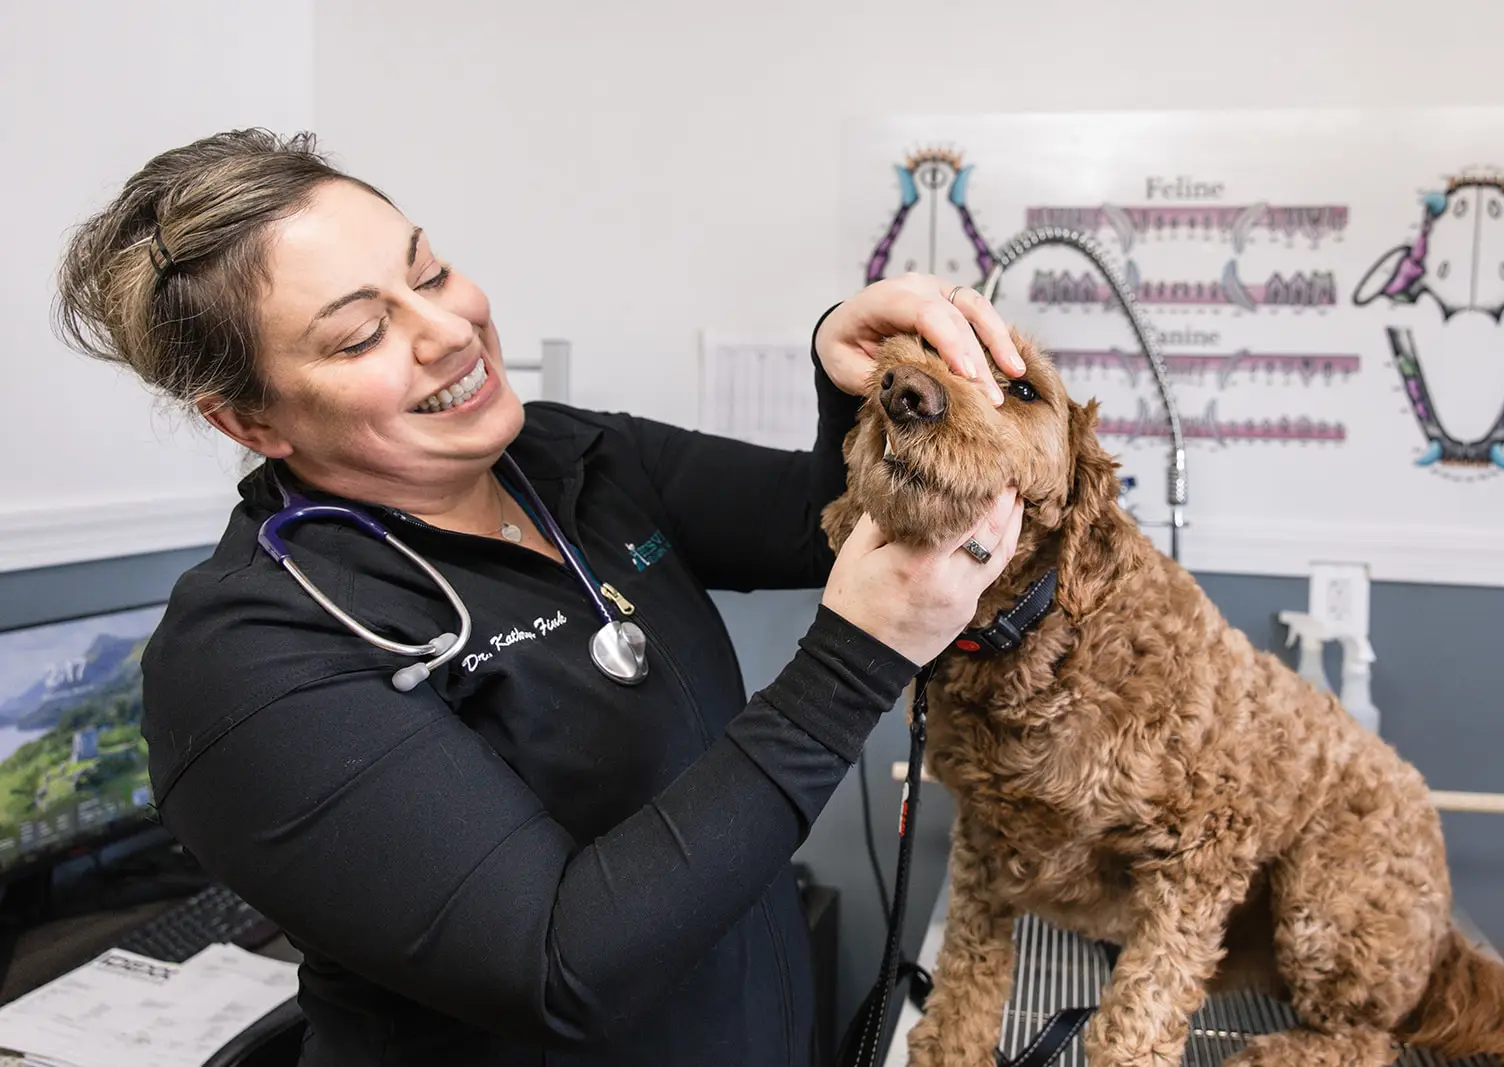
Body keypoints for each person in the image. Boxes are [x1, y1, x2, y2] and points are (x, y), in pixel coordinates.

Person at [52, 128, 1026, 1067]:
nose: (446, 328)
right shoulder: (251, 654)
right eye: (358, 335)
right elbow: (563, 967)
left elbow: (814, 518)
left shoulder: (566, 457)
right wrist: (854, 662)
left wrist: (840, 363)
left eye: (428, 272)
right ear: (250, 417)